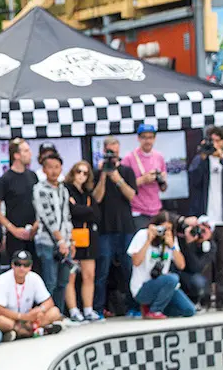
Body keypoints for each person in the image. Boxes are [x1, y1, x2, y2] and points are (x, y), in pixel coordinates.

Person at [187, 126, 223, 310]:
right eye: (211, 141)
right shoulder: (200, 159)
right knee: (205, 262)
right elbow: (193, 180)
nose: (214, 145)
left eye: (218, 141)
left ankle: (222, 300)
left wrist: (222, 158)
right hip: (205, 219)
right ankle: (204, 300)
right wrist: (203, 158)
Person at [92, 136, 138, 318]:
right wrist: (104, 175)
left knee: (128, 268)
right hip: (104, 228)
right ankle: (97, 308)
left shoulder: (127, 171)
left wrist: (117, 178)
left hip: (125, 227)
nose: (112, 156)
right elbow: (96, 198)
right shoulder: (97, 173)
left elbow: (131, 196)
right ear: (104, 152)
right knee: (102, 270)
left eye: (115, 153)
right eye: (109, 152)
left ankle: (133, 306)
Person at [127, 211, 196, 319]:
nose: (164, 232)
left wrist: (172, 246)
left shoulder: (171, 239)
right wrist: (148, 241)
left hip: (163, 286)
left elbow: (181, 265)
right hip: (142, 288)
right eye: (162, 229)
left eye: (168, 229)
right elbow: (136, 262)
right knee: (172, 278)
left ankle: (153, 308)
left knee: (189, 310)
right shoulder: (142, 235)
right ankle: (155, 311)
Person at [31, 152, 72, 313]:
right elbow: (47, 217)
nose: (54, 171)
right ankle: (49, 316)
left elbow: (67, 217)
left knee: (63, 281)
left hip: (64, 243)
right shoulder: (39, 189)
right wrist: (61, 241)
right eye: (50, 168)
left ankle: (59, 315)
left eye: (57, 167)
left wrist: (69, 241)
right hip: (47, 241)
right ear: (44, 170)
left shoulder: (63, 189)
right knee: (50, 281)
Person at [0, 250, 63, 341]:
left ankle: (20, 333)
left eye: (26, 265)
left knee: (55, 311)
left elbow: (49, 301)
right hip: (12, 318)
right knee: (2, 321)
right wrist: (21, 317)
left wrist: (39, 310)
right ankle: (36, 331)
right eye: (18, 264)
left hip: (29, 319)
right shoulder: (2, 280)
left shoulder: (34, 278)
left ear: (30, 266)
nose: (22, 268)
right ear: (12, 265)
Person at [63, 161, 102, 323]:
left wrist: (84, 210)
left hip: (88, 237)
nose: (81, 175)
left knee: (89, 275)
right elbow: (72, 211)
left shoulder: (87, 194)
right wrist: (86, 210)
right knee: (70, 276)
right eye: (78, 171)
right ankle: (73, 310)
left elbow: (96, 214)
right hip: (71, 236)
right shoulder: (66, 190)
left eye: (85, 173)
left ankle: (88, 308)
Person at [0, 138, 39, 269]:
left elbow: (38, 203)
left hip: (34, 232)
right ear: (16, 155)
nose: (30, 154)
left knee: (35, 269)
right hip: (14, 233)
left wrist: (36, 225)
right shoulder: (5, 179)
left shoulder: (32, 176)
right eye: (26, 151)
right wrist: (12, 229)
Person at [121, 124, 168, 239]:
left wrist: (161, 180)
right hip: (138, 210)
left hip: (156, 209)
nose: (148, 141)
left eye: (150, 137)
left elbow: (164, 188)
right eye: (144, 137)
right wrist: (143, 180)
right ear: (138, 138)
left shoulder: (159, 157)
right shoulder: (129, 158)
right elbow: (122, 186)